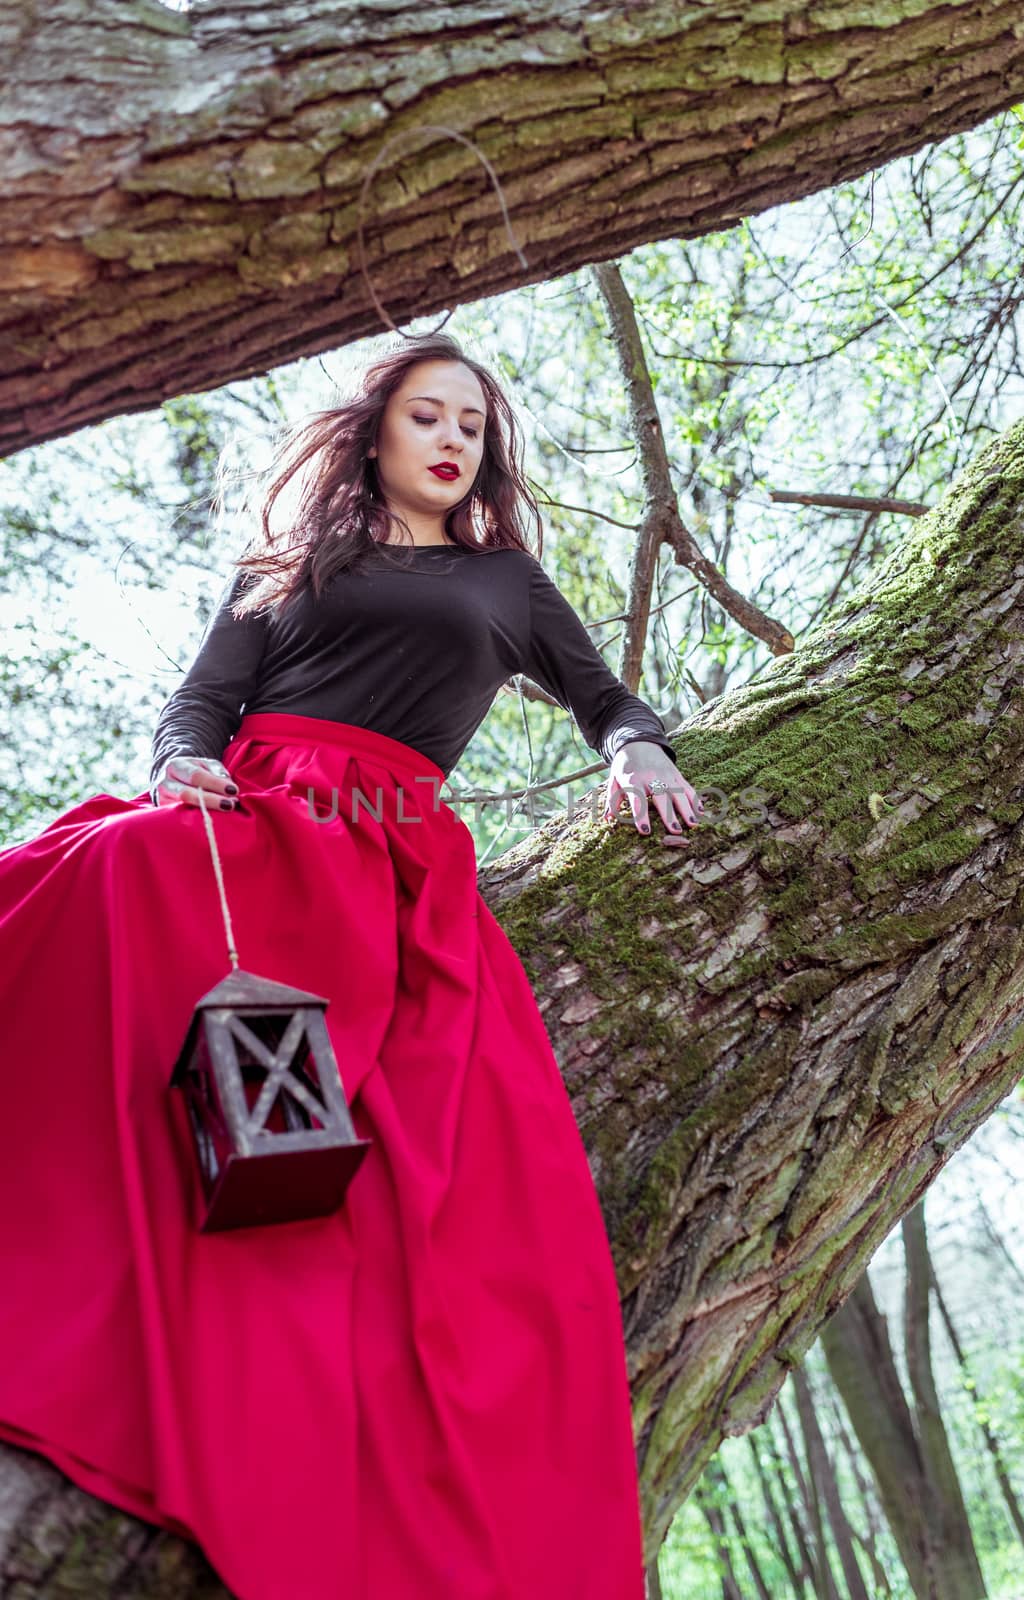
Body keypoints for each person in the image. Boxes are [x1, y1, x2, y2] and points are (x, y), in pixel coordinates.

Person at [0, 332, 703, 1599]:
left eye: (472, 427)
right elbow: (200, 701)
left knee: (436, 1168)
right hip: (245, 816)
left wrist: (636, 747)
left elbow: (604, 696)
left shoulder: (507, 581)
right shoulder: (289, 561)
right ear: (375, 429)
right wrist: (182, 764)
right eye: (427, 415)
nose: (450, 440)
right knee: (101, 873)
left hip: (381, 851)